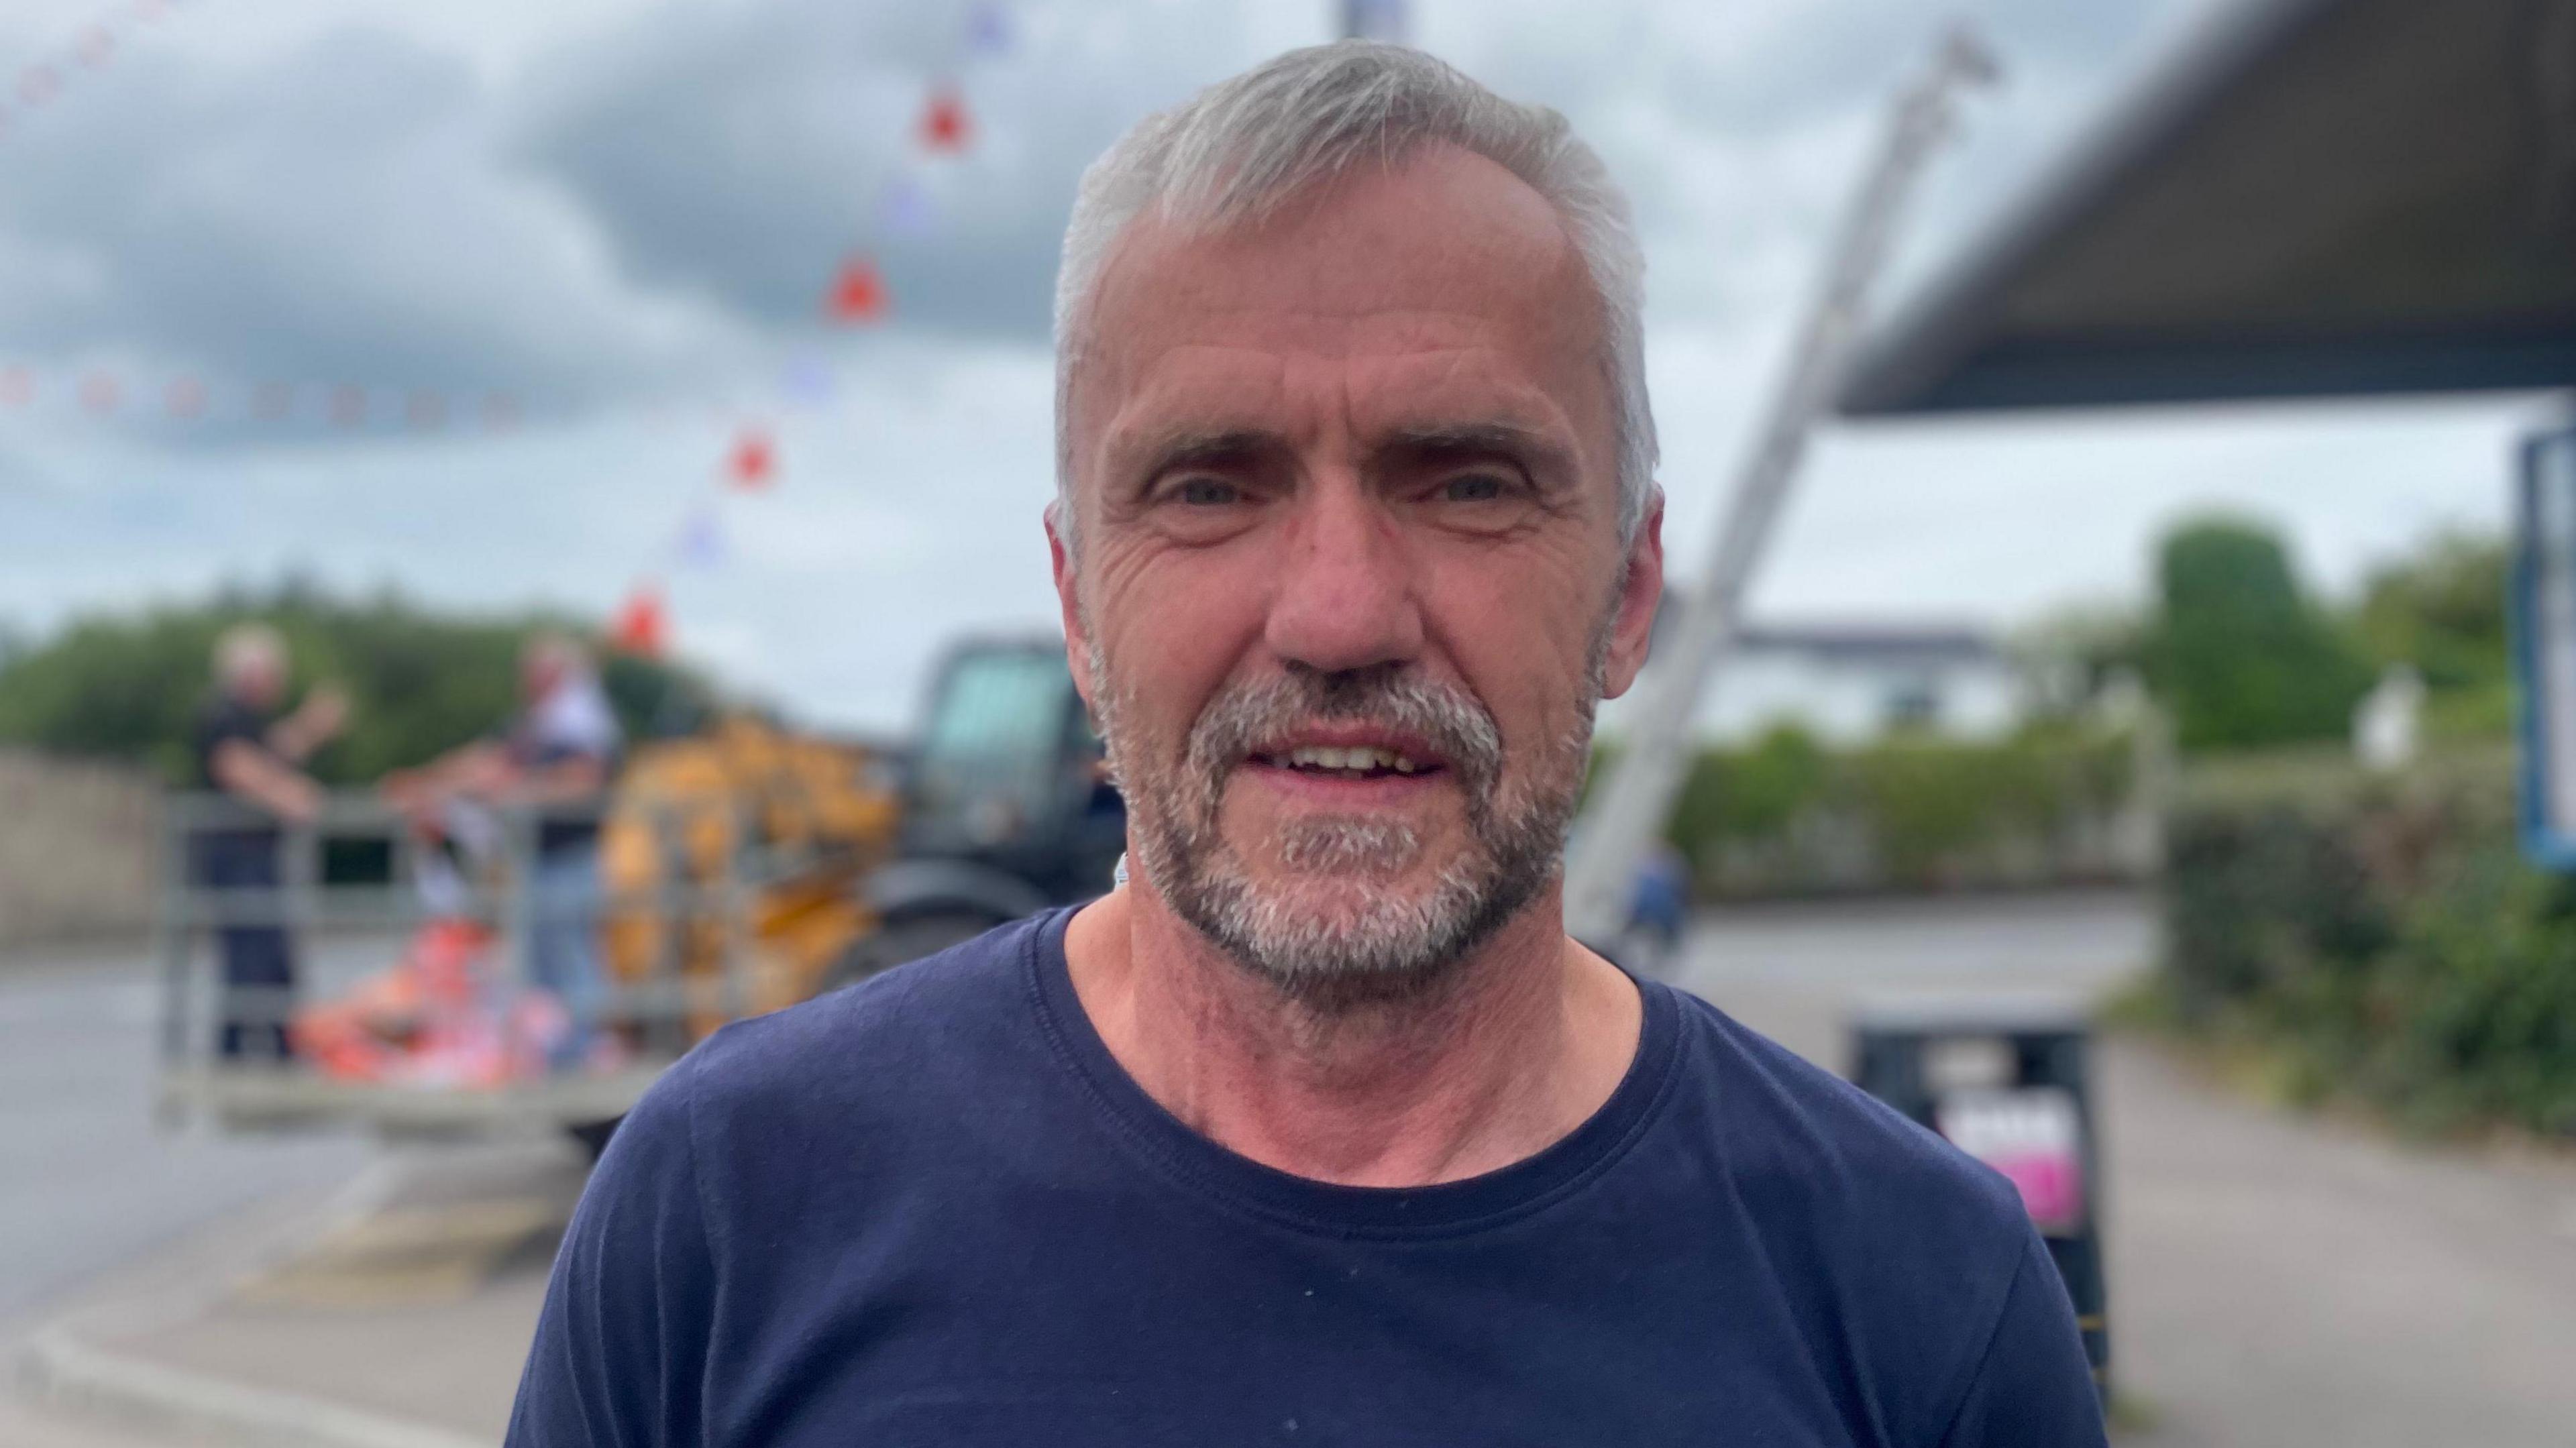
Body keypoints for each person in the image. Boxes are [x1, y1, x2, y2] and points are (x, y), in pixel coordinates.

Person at [510, 44, 2104, 1447]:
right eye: (1209, 484)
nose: (1337, 614)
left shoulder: (1917, 1294)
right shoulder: (730, 1211)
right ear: (1078, 608)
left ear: (1628, 595)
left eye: (1465, 479)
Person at [395, 634, 623, 1069]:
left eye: (533, 672)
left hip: (569, 860)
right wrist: (427, 783)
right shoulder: (538, 721)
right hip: (540, 862)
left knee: (571, 959)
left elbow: (583, 780)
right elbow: (488, 761)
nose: (524, 681)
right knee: (544, 960)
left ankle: (582, 1054)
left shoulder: (582, 720)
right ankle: (561, 1054)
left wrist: (516, 792)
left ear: (555, 674)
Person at [192, 623, 345, 1061]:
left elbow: (271, 751)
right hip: (237, 856)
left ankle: (278, 1053)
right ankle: (240, 1057)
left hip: (254, 855)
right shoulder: (223, 712)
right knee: (251, 958)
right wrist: (291, 796)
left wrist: (311, 729)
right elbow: (237, 765)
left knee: (272, 957)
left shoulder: (245, 718)